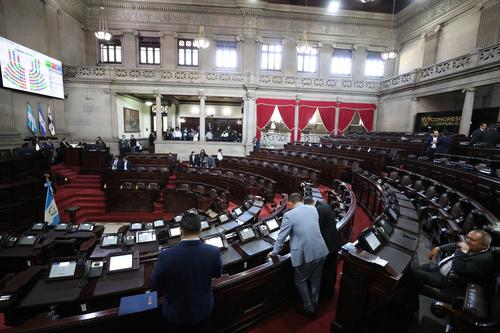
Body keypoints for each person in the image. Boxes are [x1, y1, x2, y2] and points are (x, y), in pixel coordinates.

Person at [151, 213, 222, 332]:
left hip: (176, 315)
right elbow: (217, 274)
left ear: (180, 230)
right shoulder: (213, 251)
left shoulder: (166, 256)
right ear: (200, 229)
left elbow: (155, 285)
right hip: (203, 310)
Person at [268, 193, 329, 318]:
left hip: (307, 255)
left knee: (300, 280)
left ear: (290, 203)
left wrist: (274, 252)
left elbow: (281, 237)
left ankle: (309, 308)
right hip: (321, 251)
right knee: (315, 278)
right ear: (301, 200)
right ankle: (315, 302)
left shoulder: (289, 215)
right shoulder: (313, 209)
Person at [409, 230, 494, 309]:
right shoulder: (473, 246)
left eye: (472, 240)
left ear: (483, 246)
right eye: (467, 237)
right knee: (411, 269)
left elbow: (458, 269)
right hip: (439, 267)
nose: (467, 241)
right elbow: (457, 244)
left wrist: (463, 250)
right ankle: (408, 298)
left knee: (412, 273)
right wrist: (439, 248)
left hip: (448, 280)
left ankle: (411, 305)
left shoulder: (483, 260)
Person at [305, 197, 339, 300]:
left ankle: (321, 297)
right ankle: (329, 293)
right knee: (330, 270)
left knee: (321, 273)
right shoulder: (322, 204)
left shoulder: (318, 210)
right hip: (333, 243)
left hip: (327, 246)